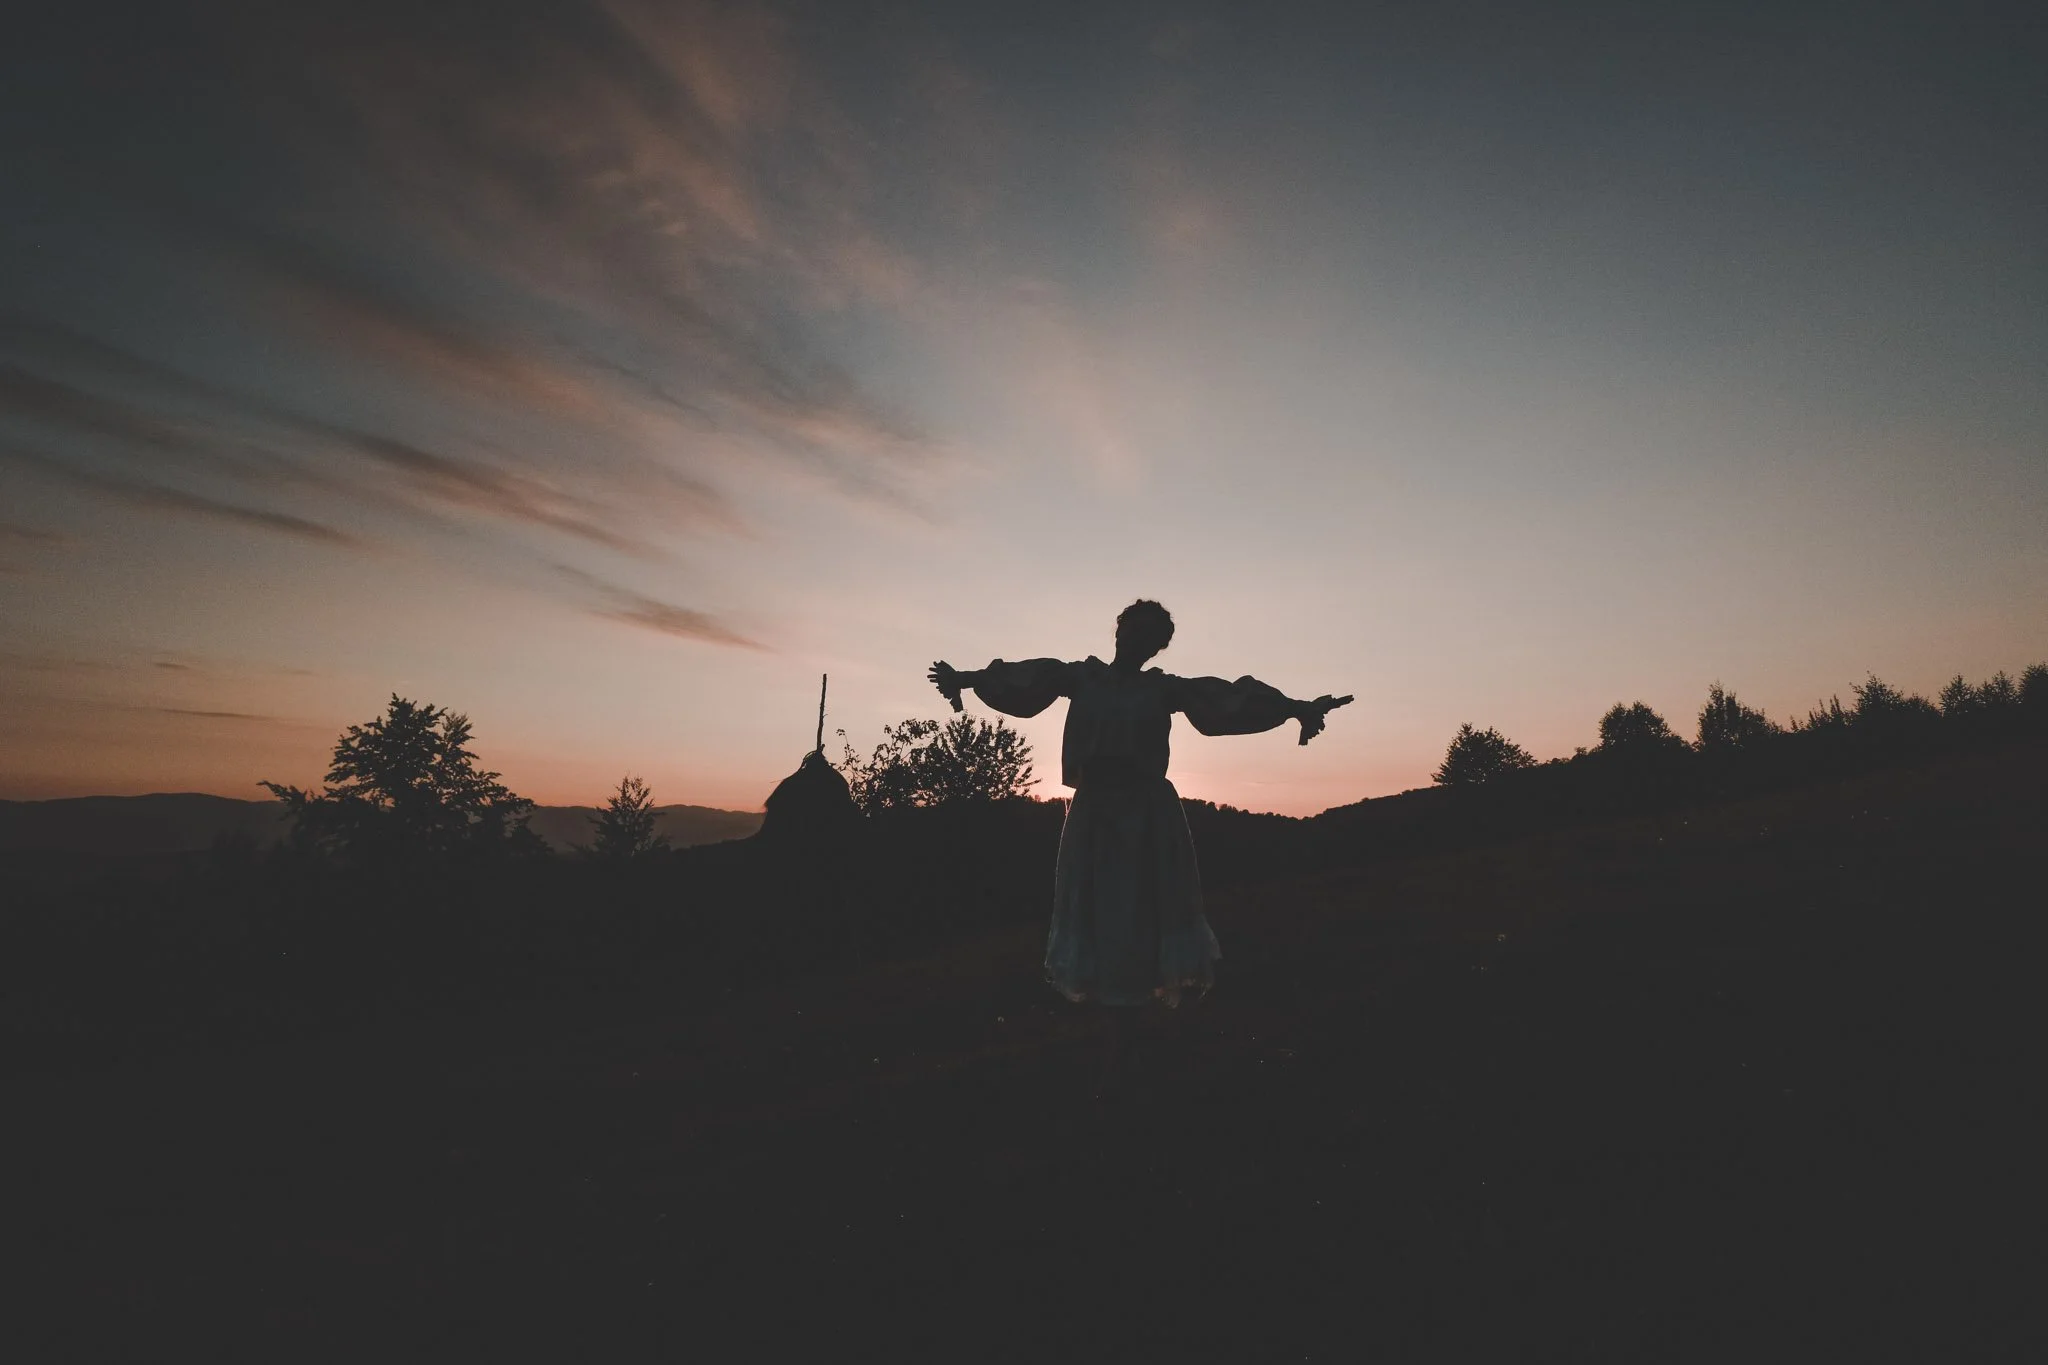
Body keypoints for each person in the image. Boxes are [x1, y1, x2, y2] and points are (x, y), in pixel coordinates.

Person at [928, 599, 1351, 1096]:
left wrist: (1296, 708)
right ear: (1119, 631)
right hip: (1096, 814)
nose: (1139, 641)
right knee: (1104, 913)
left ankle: (1126, 1045)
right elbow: (1027, 679)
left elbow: (1227, 699)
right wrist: (966, 679)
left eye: (1152, 637)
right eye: (1135, 630)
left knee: (1140, 912)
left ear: (1158, 647)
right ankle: (1123, 1039)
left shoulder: (1162, 689)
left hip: (1146, 815)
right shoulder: (1082, 678)